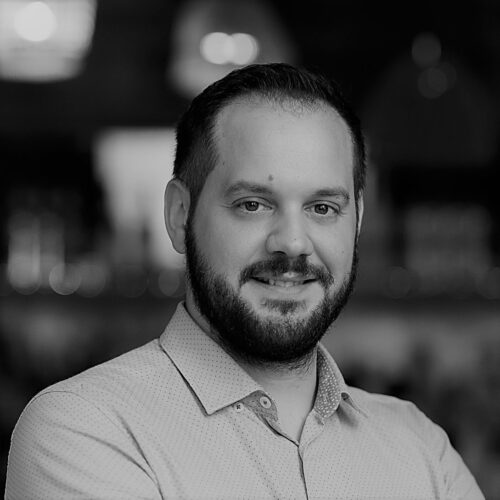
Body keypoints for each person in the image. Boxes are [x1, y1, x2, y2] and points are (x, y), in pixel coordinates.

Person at [6, 63, 483, 499]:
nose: (292, 243)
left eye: (322, 208)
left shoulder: (421, 447)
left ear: (355, 222)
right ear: (180, 215)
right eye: (252, 204)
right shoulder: (83, 429)